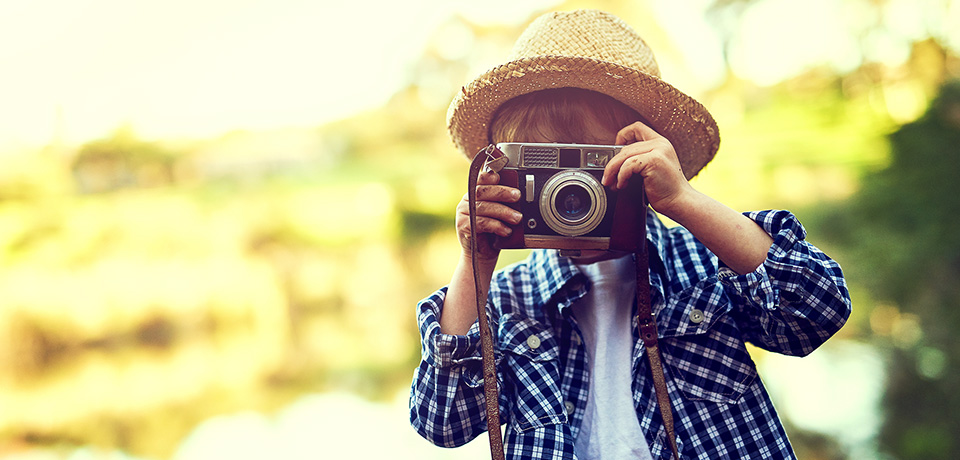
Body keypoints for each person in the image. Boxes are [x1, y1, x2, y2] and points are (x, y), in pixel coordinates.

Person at [409, 9, 851, 460]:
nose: (570, 195)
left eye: (589, 168)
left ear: (646, 158)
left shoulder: (703, 262)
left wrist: (685, 201)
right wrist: (475, 262)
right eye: (546, 172)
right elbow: (442, 422)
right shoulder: (505, 299)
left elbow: (815, 313)